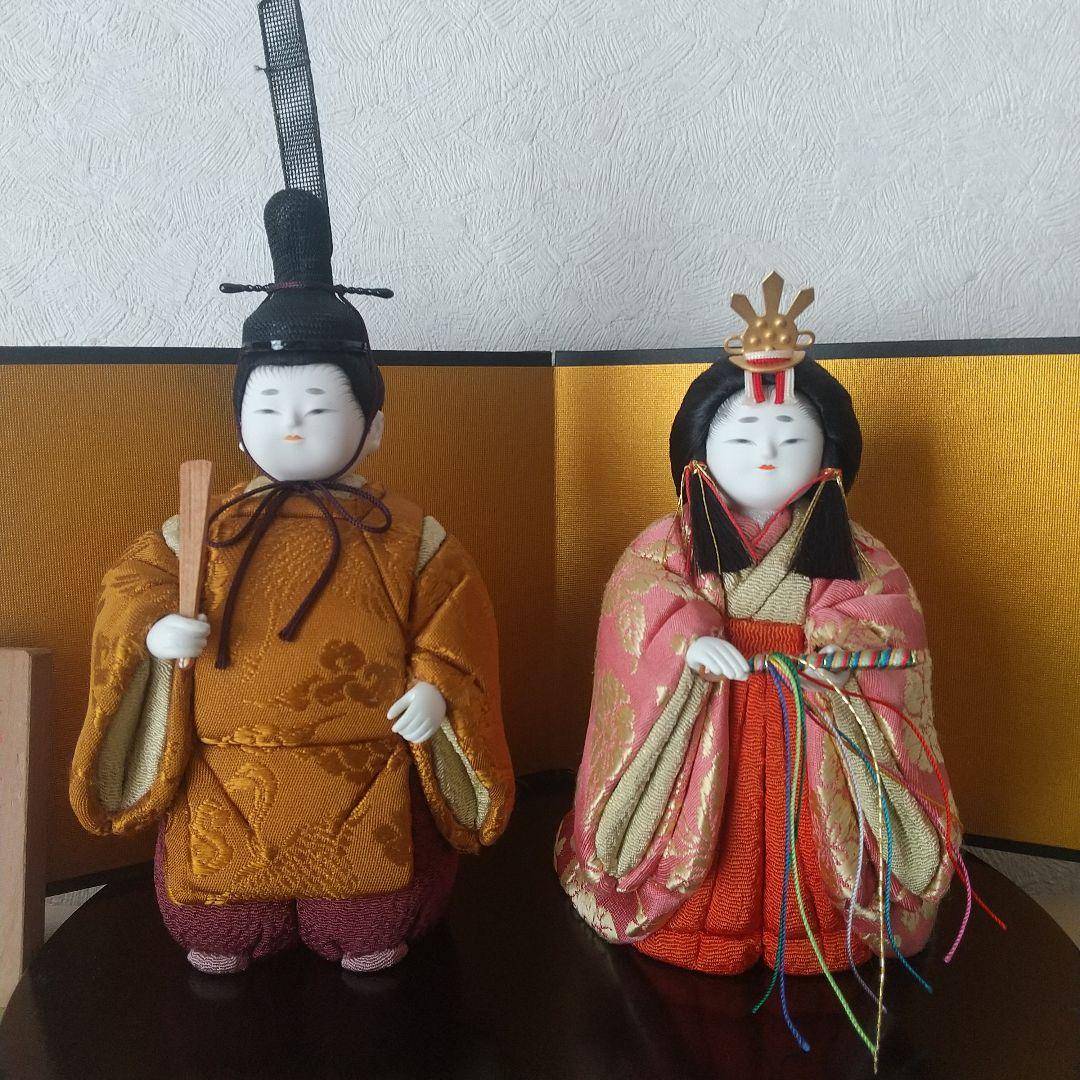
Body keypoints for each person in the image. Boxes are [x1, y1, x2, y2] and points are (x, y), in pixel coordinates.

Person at [69, 0, 513, 976]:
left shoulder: (411, 535)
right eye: (271, 407)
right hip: (224, 769)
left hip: (367, 764)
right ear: (239, 425)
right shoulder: (199, 525)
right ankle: (229, 919)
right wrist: (153, 633)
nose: (295, 423)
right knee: (220, 927)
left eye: (319, 404)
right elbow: (129, 587)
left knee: (369, 921)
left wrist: (437, 687)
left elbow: (458, 618)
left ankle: (365, 915)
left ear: (374, 424)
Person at [555, 276, 967, 1056]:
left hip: (812, 720)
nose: (766, 455)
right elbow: (634, 602)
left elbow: (892, 620)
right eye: (743, 437)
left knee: (801, 846)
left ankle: (814, 934)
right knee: (720, 838)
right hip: (707, 718)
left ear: (830, 455)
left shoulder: (857, 552)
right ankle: (698, 925)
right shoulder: (669, 543)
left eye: (789, 438)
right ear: (700, 451)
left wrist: (834, 649)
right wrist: (685, 638)